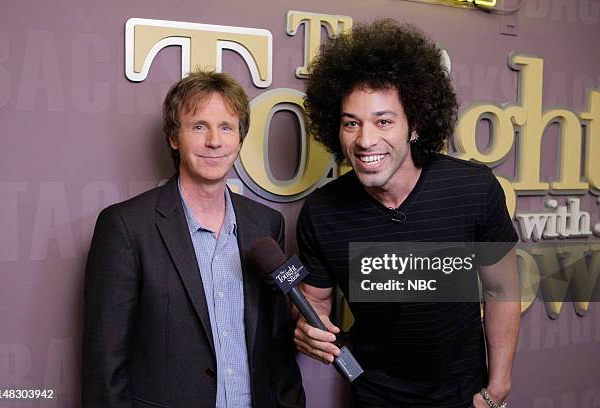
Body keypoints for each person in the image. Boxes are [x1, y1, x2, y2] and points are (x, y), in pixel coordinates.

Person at [294, 19, 520, 408]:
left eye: (383, 121)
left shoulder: (473, 189)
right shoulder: (322, 212)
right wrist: (306, 328)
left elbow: (502, 289)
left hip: (464, 394)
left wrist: (496, 389)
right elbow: (315, 303)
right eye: (352, 123)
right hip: (376, 394)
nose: (365, 140)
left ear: (414, 125)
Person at [82, 71, 305, 408]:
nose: (214, 141)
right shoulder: (126, 227)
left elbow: (277, 348)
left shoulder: (265, 224)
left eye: (227, 127)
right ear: (174, 137)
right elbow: (105, 363)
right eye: (199, 126)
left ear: (240, 138)